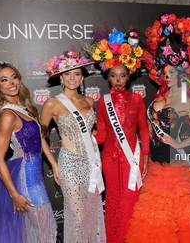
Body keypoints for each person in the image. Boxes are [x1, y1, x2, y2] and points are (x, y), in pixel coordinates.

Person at [125, 13, 190, 242]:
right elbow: (150, 131)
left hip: (176, 167)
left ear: (181, 74)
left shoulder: (185, 101)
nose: (168, 76)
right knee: (154, 221)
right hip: (155, 165)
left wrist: (180, 143)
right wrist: (143, 157)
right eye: (165, 73)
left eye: (172, 73)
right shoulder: (156, 99)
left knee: (178, 221)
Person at [85, 28, 150, 243]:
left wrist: (146, 159)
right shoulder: (103, 102)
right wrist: (85, 138)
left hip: (133, 158)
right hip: (110, 159)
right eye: (113, 76)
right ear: (108, 76)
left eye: (122, 76)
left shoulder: (137, 100)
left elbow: (144, 131)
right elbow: (102, 134)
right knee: (113, 200)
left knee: (131, 200)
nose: (118, 80)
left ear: (129, 76)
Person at [0, 62, 57, 243]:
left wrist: (54, 164)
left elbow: (40, 138)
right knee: (47, 230)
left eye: (14, 77)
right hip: (25, 179)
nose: (11, 83)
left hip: (35, 176)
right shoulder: (7, 115)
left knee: (35, 233)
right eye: (4, 80)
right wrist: (14, 195)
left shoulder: (26, 109)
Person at [41, 50, 106, 243]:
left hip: (91, 162)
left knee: (92, 213)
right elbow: (40, 137)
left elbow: (90, 133)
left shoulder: (89, 101)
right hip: (68, 163)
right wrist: (53, 164)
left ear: (82, 76)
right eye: (67, 73)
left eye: (76, 73)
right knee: (77, 215)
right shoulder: (52, 103)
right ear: (61, 76)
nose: (72, 78)